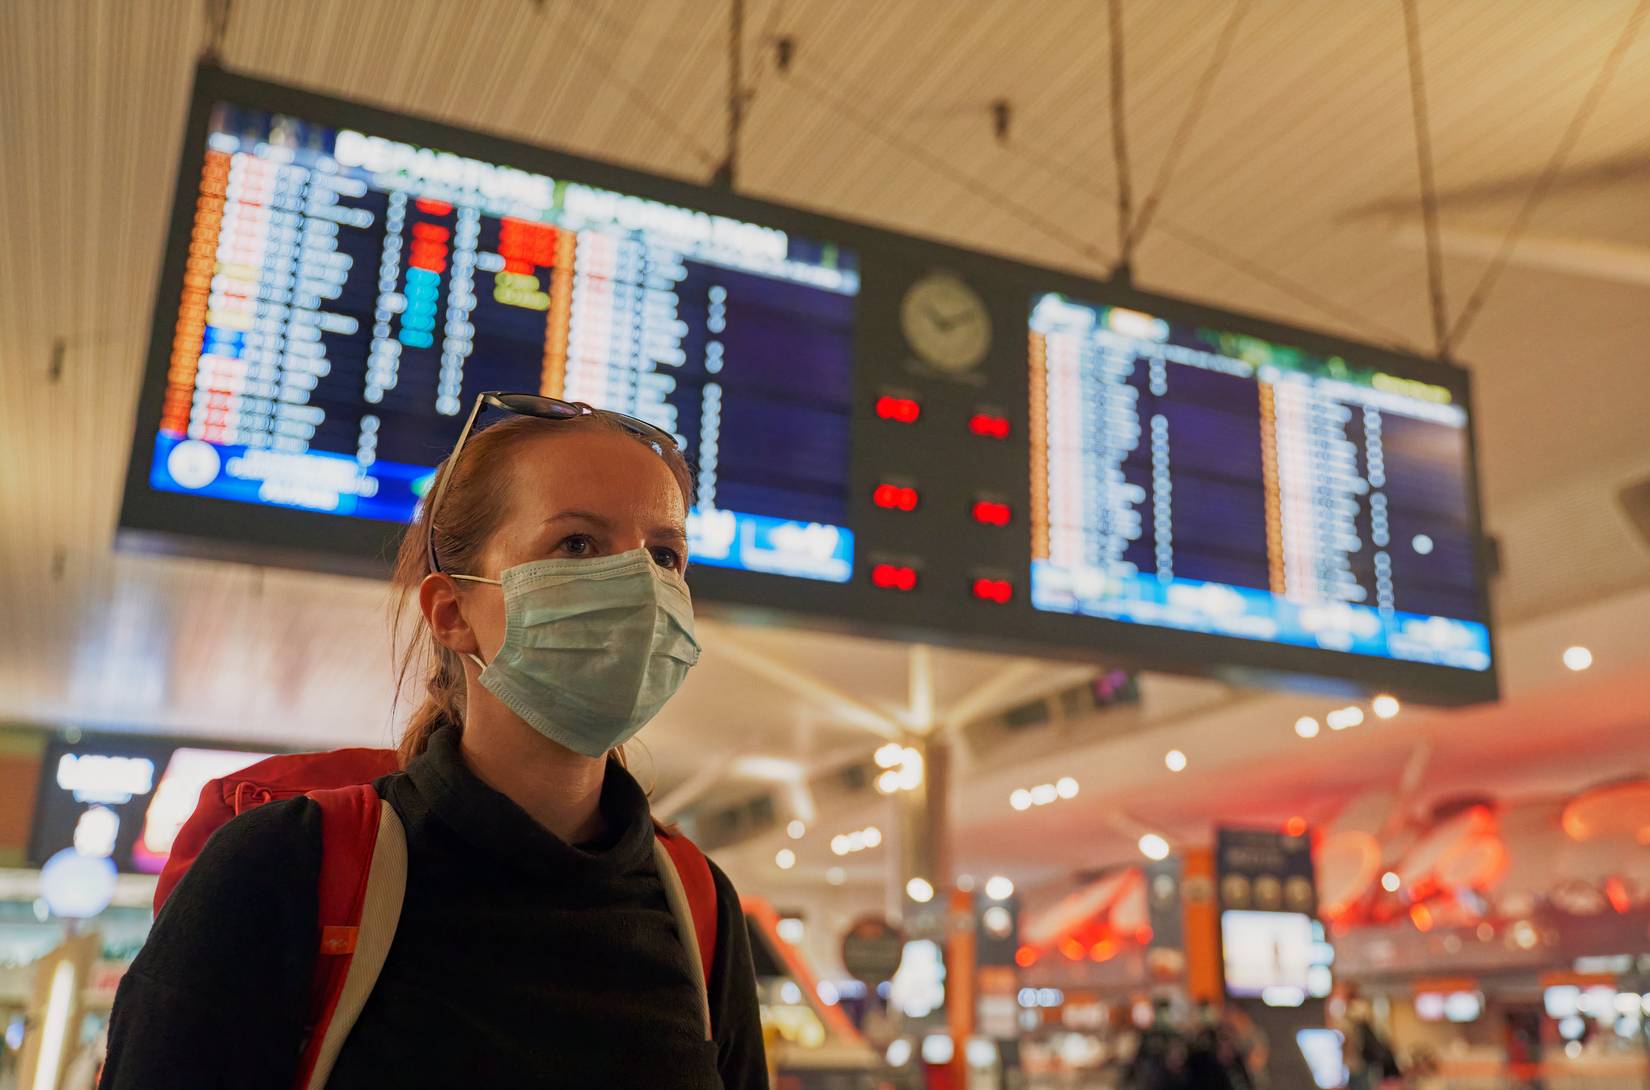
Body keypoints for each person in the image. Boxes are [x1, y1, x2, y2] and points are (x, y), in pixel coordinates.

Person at [99, 395, 767, 1088]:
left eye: (664, 555)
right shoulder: (281, 866)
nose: (639, 585)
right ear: (452, 612)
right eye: (577, 544)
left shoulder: (698, 906)